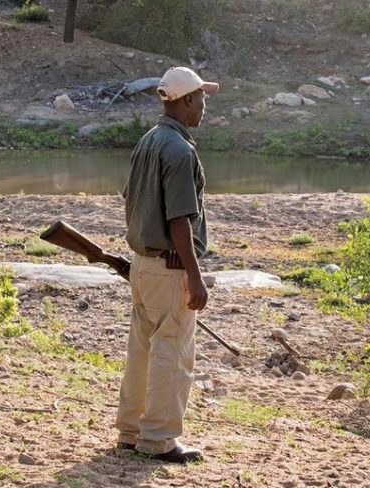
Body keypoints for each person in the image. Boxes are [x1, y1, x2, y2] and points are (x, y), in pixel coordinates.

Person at [115, 66, 218, 463]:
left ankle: (132, 430)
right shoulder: (179, 149)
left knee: (142, 348)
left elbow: (131, 199)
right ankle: (159, 439)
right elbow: (180, 219)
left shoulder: (149, 140)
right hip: (168, 268)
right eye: (202, 98)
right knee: (171, 352)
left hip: (144, 265)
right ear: (187, 99)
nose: (204, 105)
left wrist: (142, 249)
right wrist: (194, 276)